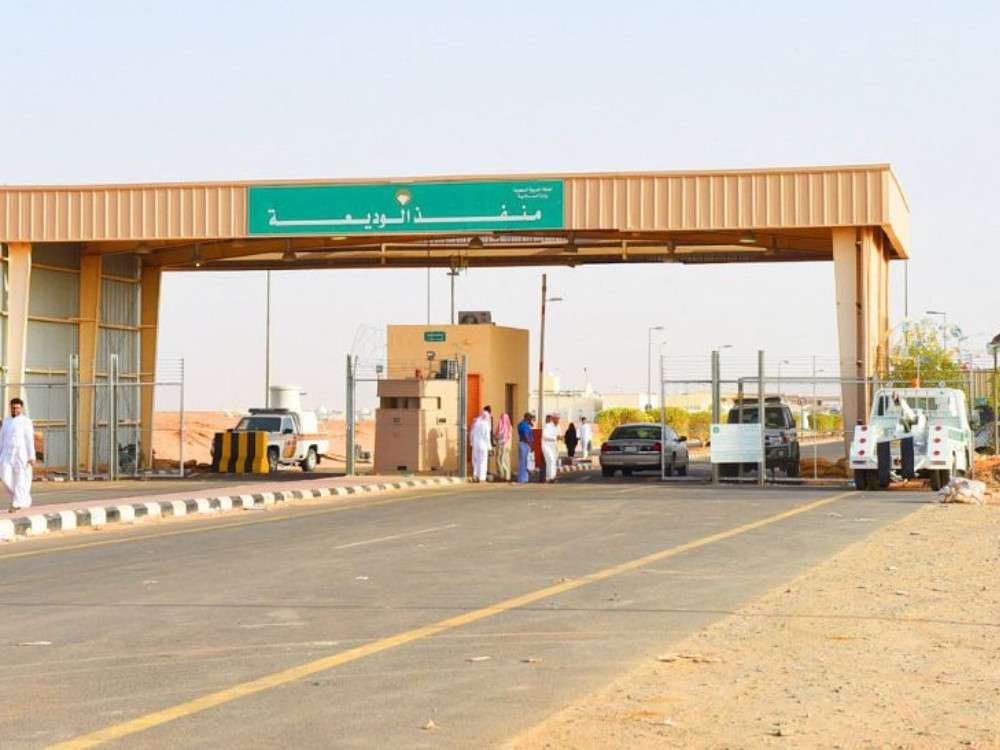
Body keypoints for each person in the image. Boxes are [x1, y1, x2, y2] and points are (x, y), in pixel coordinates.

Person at [1, 398, 35, 512]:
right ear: (10, 407)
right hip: (6, 453)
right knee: (5, 476)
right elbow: (2, 438)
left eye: (17, 408)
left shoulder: (26, 421)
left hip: (21, 455)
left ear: (21, 408)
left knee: (21, 478)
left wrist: (31, 456)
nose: (15, 410)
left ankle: (16, 503)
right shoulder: (6, 421)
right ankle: (21, 497)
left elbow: (29, 439)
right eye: (13, 408)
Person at [470, 405, 493, 482]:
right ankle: (482, 478)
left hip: (475, 444)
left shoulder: (476, 422)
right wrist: (490, 447)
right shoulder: (486, 424)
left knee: (476, 460)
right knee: (483, 461)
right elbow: (487, 437)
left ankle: (475, 475)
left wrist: (471, 443)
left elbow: (472, 433)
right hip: (483, 445)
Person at [493, 412, 513, 481]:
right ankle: (507, 476)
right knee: (506, 460)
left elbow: (496, 436)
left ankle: (502, 475)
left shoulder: (501, 426)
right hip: (508, 447)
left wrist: (495, 436)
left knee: (500, 460)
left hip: (502, 446)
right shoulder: (509, 426)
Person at [516, 412, 535, 483]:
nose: (531, 419)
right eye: (530, 418)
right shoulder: (523, 425)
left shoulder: (524, 424)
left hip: (525, 444)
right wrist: (530, 444)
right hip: (524, 444)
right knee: (523, 462)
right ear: (527, 418)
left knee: (526, 462)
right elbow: (526, 435)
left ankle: (525, 478)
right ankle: (521, 478)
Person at [542, 413, 560, 482]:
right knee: (550, 460)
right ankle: (551, 477)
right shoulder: (547, 426)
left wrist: (560, 437)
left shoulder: (558, 426)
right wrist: (555, 437)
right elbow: (545, 436)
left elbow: (559, 435)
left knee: (553, 461)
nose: (557, 420)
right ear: (553, 419)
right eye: (556, 419)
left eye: (558, 419)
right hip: (547, 446)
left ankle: (551, 477)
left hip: (554, 447)